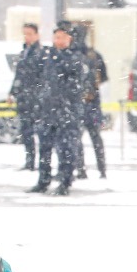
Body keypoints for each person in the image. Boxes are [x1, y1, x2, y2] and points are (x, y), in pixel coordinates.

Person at [28, 20, 89, 197]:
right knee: (45, 149)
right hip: (48, 111)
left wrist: (67, 105)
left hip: (67, 112)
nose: (58, 41)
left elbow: (77, 85)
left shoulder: (75, 58)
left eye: (61, 37)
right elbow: (39, 79)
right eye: (56, 37)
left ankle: (65, 181)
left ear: (69, 39)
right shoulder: (48, 57)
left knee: (66, 150)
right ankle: (43, 180)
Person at [71, 24, 108, 180]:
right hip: (92, 103)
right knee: (95, 138)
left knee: (76, 138)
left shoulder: (72, 55)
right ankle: (101, 169)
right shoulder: (94, 55)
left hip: (77, 103)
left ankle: (81, 169)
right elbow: (104, 78)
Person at [9, 22, 45, 171]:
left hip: (35, 100)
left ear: (36, 35)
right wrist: (13, 92)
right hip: (24, 99)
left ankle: (41, 162)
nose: (27, 37)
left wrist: (39, 94)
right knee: (26, 132)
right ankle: (29, 160)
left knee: (41, 133)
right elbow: (19, 75)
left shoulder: (40, 53)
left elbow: (42, 77)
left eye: (29, 34)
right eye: (25, 34)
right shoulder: (24, 53)